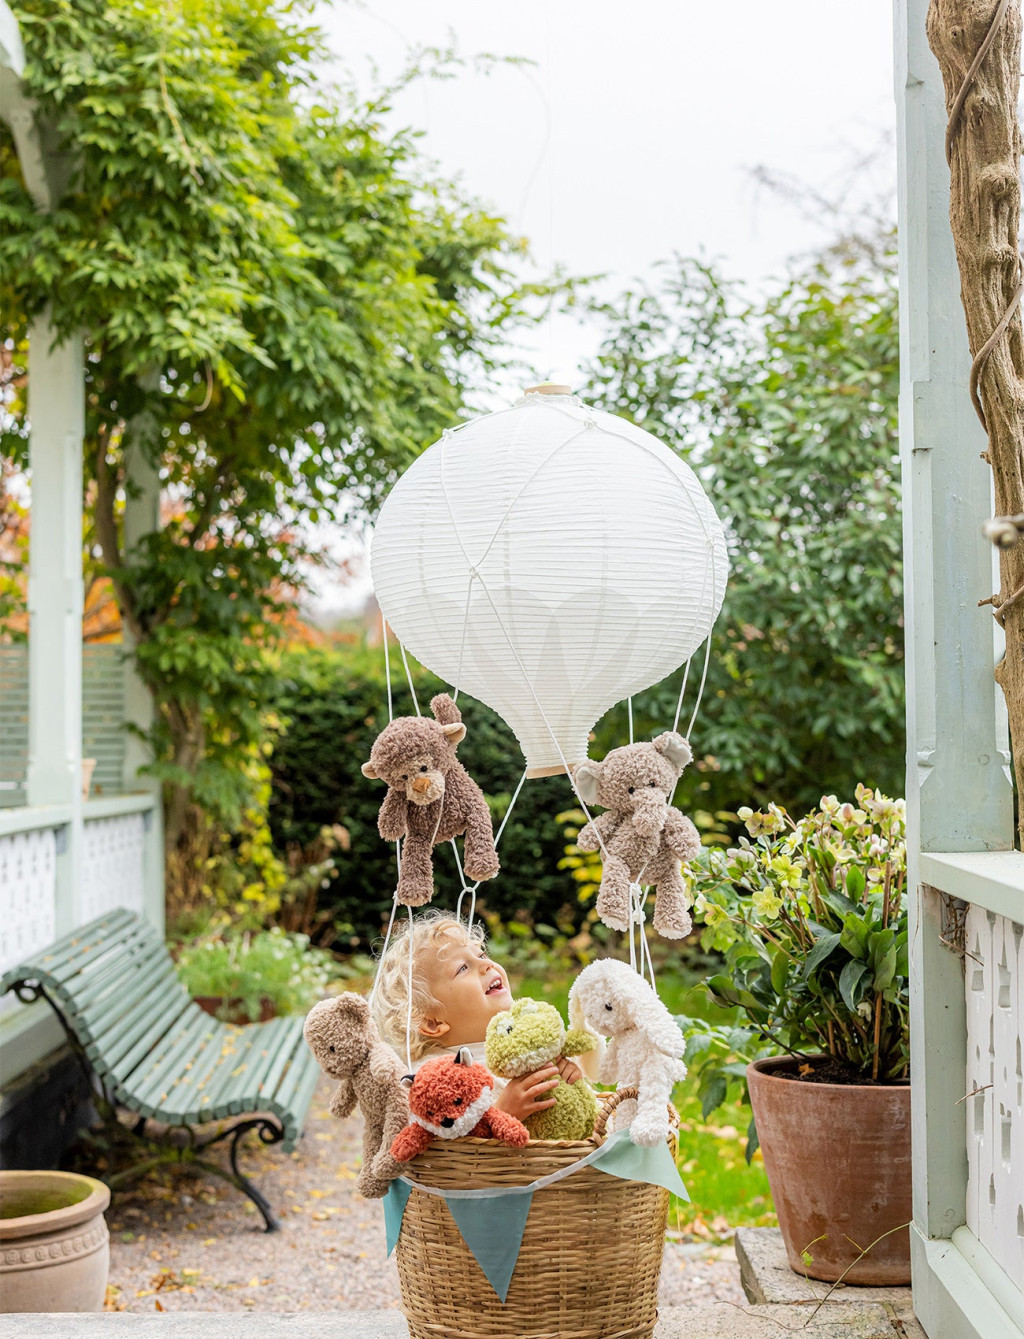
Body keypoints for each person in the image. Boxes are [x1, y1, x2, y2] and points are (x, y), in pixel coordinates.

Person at [370, 910, 591, 1121]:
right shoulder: (434, 1078)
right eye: (463, 968)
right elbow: (441, 1137)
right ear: (432, 1022)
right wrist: (503, 1113)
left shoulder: (530, 1043)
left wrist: (569, 1079)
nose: (487, 964)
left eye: (481, 954)